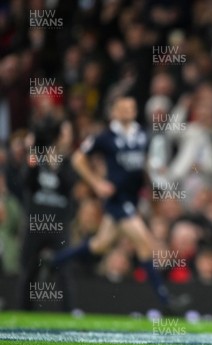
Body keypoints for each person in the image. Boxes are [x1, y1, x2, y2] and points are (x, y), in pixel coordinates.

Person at [52, 97, 174, 310]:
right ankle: (165, 301)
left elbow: (143, 164)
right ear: (114, 112)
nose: (128, 111)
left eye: (131, 107)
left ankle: (54, 261)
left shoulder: (142, 135)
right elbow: (78, 158)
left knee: (101, 245)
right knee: (145, 243)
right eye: (123, 108)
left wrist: (155, 174)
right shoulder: (105, 137)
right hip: (118, 200)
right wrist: (97, 182)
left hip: (133, 199)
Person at [17, 119, 76, 311]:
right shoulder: (36, 156)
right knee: (29, 270)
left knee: (63, 270)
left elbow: (69, 187)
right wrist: (33, 155)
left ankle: (68, 313)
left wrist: (56, 166)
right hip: (36, 221)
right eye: (64, 133)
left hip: (58, 222)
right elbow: (26, 183)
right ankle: (23, 311)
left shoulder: (67, 161)